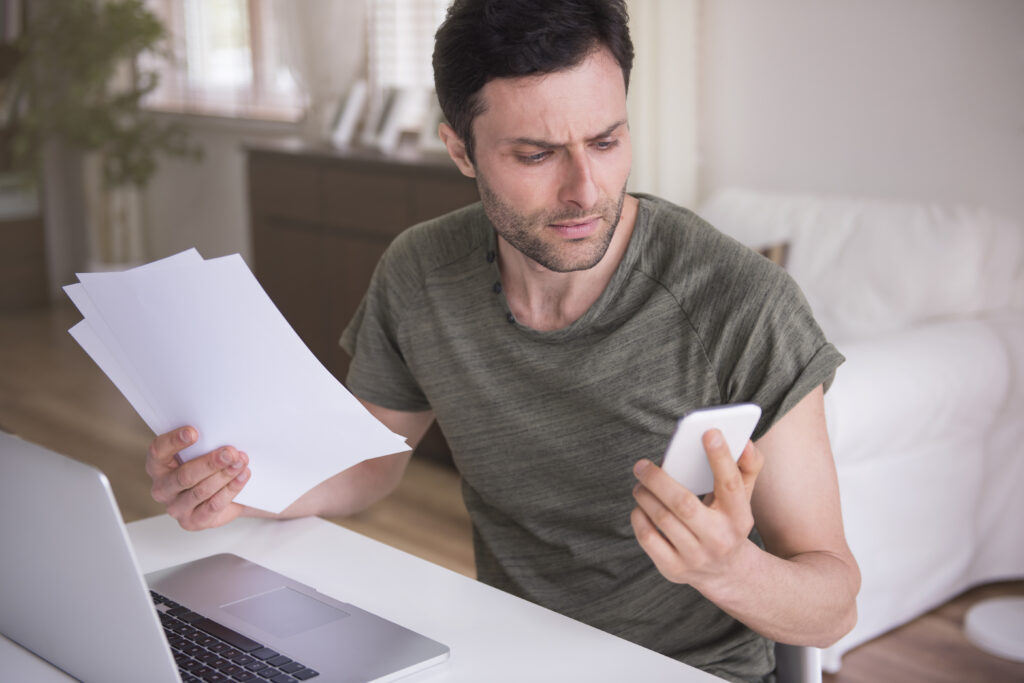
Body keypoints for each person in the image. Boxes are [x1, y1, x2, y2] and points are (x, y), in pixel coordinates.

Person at [145, 1, 860, 680]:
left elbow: (834, 604)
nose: (586, 189)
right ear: (460, 149)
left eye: (607, 141)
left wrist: (726, 566)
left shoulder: (743, 305)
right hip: (505, 652)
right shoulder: (421, 273)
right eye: (536, 154)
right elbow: (370, 462)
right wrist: (246, 486)